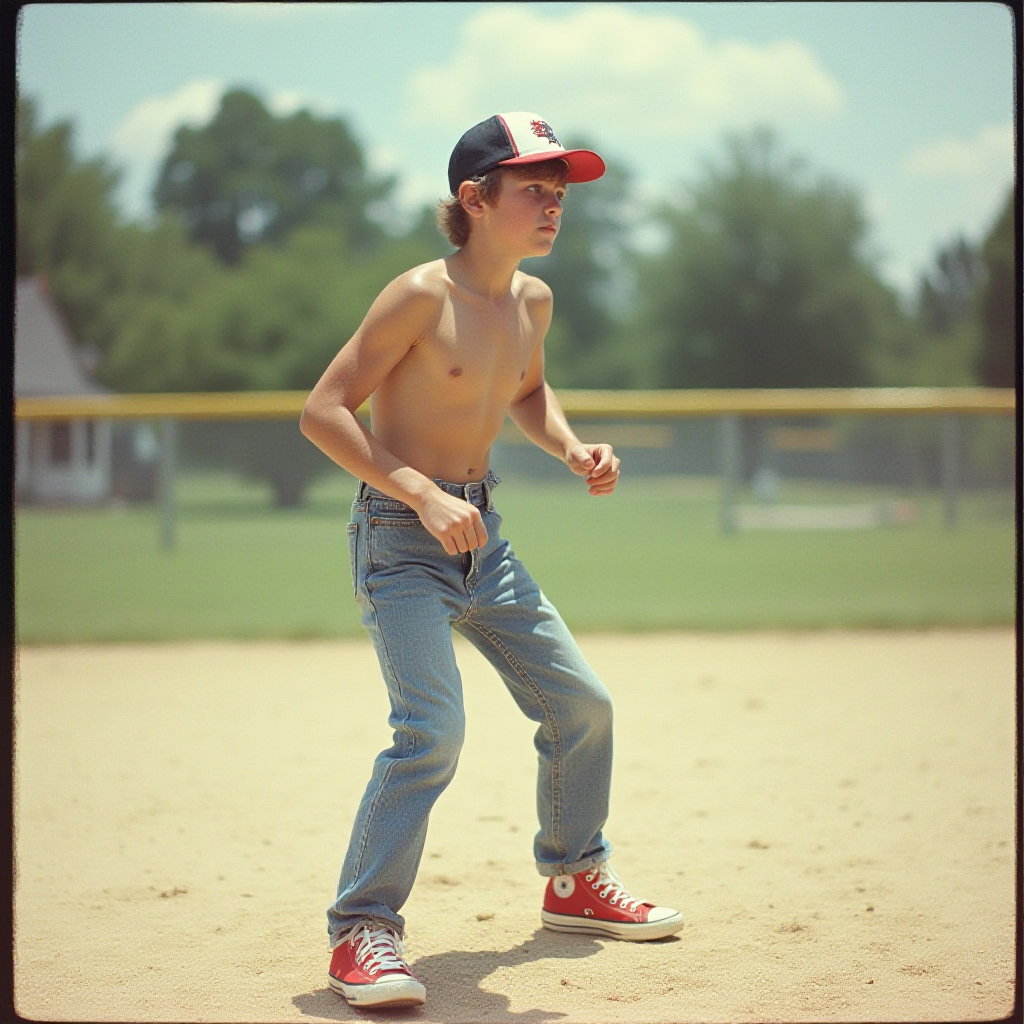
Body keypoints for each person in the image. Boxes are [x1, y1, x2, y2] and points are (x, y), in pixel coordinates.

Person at [300, 112, 683, 1010]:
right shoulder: (417, 296)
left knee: (583, 705)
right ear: (474, 199)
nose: (554, 206)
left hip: (485, 540)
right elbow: (323, 411)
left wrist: (571, 447)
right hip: (402, 540)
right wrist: (419, 495)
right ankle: (363, 931)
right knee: (431, 732)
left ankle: (574, 882)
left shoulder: (531, 301)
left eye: (561, 193)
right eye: (534, 191)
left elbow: (529, 390)